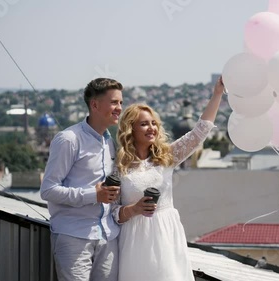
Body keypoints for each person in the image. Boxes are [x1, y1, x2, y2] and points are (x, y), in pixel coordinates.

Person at [114, 77, 225, 281]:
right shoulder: (118, 165)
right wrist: (133, 210)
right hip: (134, 241)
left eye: (154, 123)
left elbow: (200, 131)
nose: (152, 128)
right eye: (144, 124)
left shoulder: (166, 157)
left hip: (166, 236)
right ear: (131, 129)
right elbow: (111, 213)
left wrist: (217, 93)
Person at [40, 78, 124, 281]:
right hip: (74, 237)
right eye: (114, 102)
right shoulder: (69, 139)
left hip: (108, 236)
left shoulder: (109, 142)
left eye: (121, 103)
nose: (119, 108)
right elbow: (48, 190)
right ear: (94, 105)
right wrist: (94, 195)